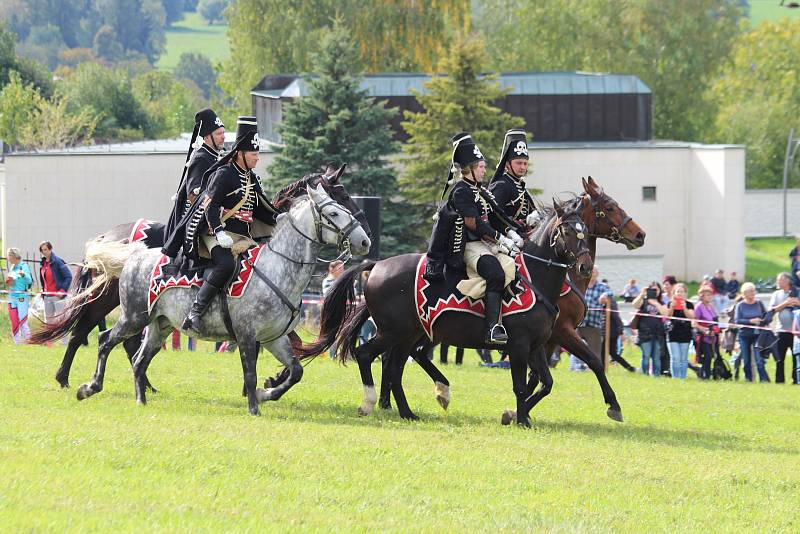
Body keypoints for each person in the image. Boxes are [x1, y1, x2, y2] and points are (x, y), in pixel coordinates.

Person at [175, 116, 278, 333]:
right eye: (254, 154)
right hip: (215, 232)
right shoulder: (224, 174)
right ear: (240, 153)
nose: (257, 158)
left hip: (242, 237)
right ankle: (195, 312)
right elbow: (209, 207)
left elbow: (262, 209)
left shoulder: (252, 178)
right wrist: (219, 231)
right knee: (226, 265)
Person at [423, 133, 520, 344]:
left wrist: (511, 233)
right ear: (470, 169)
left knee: (515, 267)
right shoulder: (461, 191)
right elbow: (473, 223)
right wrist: (500, 239)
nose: (485, 170)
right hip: (468, 245)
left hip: (486, 243)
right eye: (482, 167)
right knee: (495, 273)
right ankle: (491, 329)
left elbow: (494, 216)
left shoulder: (479, 190)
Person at [163, 108, 225, 251]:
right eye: (218, 133)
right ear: (207, 137)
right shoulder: (201, 158)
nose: (223, 137)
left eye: (223, 132)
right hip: (196, 224)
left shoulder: (216, 157)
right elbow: (193, 196)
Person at [488, 129, 537, 230]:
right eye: (519, 163)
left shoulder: (520, 185)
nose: (523, 167)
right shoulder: (501, 185)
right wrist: (511, 231)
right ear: (507, 164)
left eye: (525, 163)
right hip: (506, 237)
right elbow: (494, 217)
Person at [767, 272, 800, 383]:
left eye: (779, 280)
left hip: (796, 331)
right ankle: (779, 380)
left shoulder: (797, 291)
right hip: (781, 330)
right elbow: (771, 310)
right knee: (779, 357)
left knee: (796, 357)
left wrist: (797, 303)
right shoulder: (776, 294)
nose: (777, 282)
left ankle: (796, 380)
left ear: (787, 281)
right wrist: (785, 304)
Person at [734, 282, 769, 382]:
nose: (753, 293)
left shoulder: (759, 303)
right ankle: (748, 378)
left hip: (757, 334)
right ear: (745, 293)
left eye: (754, 291)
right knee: (746, 359)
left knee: (759, 358)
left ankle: (763, 379)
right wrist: (750, 321)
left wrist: (763, 321)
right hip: (744, 335)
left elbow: (765, 315)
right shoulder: (740, 305)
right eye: (751, 291)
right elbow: (737, 320)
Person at [662, 283, 695, 379]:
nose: (680, 293)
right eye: (678, 291)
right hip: (673, 333)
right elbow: (668, 316)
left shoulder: (689, 304)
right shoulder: (670, 303)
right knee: (675, 357)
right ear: (674, 293)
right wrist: (672, 307)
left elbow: (692, 317)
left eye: (682, 291)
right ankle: (675, 378)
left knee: (683, 358)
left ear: (685, 293)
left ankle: (683, 377)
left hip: (685, 333)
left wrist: (684, 307)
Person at [632, 282, 666, 376]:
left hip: (658, 334)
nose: (655, 292)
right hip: (645, 333)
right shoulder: (644, 301)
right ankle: (645, 374)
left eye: (657, 290)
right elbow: (635, 305)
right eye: (652, 289)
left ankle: (657, 375)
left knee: (656, 356)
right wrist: (641, 294)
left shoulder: (661, 303)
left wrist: (656, 303)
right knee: (646, 355)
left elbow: (665, 313)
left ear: (660, 291)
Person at [578, 267, 612, 359]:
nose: (592, 273)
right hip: (579, 323)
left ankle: (594, 369)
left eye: (594, 271)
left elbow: (610, 292)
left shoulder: (602, 286)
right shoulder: (581, 285)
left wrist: (604, 295)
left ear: (598, 273)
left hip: (593, 324)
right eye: (590, 271)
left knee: (595, 352)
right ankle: (577, 367)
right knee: (575, 348)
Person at [37, 241, 73, 323]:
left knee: (61, 322)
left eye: (45, 249)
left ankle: (64, 337)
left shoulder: (58, 261)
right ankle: (50, 337)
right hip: (47, 297)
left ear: (50, 249)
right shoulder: (43, 263)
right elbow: (44, 280)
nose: (44, 252)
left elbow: (68, 276)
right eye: (42, 250)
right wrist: (43, 290)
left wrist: (63, 291)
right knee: (48, 323)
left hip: (58, 297)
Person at [5, 248, 33, 343]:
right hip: (12, 296)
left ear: (13, 256)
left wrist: (23, 275)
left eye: (8, 256)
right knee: (14, 320)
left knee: (22, 319)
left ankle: (29, 341)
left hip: (22, 296)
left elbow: (29, 280)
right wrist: (9, 281)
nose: (7, 258)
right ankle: (17, 342)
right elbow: (12, 282)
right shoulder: (13, 267)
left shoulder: (23, 266)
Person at [602, 296, 636, 372]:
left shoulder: (611, 302)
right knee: (611, 353)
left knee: (607, 353)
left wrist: (621, 333)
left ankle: (630, 368)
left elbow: (617, 318)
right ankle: (630, 368)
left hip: (611, 333)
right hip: (605, 332)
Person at [693, 286, 720, 379]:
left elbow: (715, 320)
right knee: (707, 356)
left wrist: (715, 330)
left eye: (710, 295)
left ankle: (708, 374)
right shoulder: (698, 306)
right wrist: (705, 331)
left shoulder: (711, 306)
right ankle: (704, 375)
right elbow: (694, 323)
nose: (709, 297)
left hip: (713, 336)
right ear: (702, 296)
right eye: (707, 295)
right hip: (702, 336)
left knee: (712, 356)